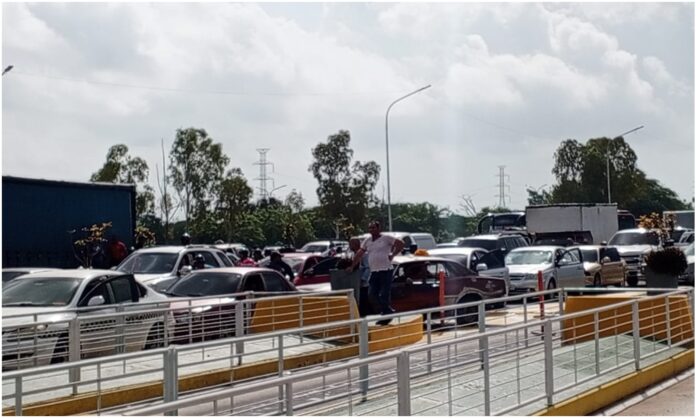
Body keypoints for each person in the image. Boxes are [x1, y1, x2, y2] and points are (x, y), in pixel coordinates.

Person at [349, 221, 404, 325]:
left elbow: (401, 244)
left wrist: (393, 254)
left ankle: (385, 314)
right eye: (370, 228)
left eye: (373, 228)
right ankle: (387, 311)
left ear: (379, 228)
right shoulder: (367, 241)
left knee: (384, 294)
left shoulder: (386, 238)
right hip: (374, 271)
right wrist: (352, 266)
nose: (371, 230)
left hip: (386, 270)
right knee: (372, 294)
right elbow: (359, 253)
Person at [348, 237, 372, 317]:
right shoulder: (353, 254)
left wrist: (363, 279)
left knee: (363, 301)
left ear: (356, 244)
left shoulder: (364, 255)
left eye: (351, 244)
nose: (349, 246)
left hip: (363, 284)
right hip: (355, 283)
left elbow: (368, 268)